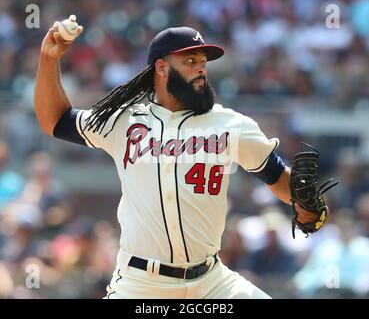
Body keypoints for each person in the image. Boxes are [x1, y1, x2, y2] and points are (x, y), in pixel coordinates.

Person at [34, 22, 317, 299]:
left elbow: (277, 176)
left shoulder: (231, 125)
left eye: (203, 61)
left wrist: (306, 203)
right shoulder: (125, 121)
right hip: (141, 284)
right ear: (161, 67)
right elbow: (55, 120)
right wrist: (49, 59)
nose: (201, 68)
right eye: (190, 60)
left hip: (211, 282)